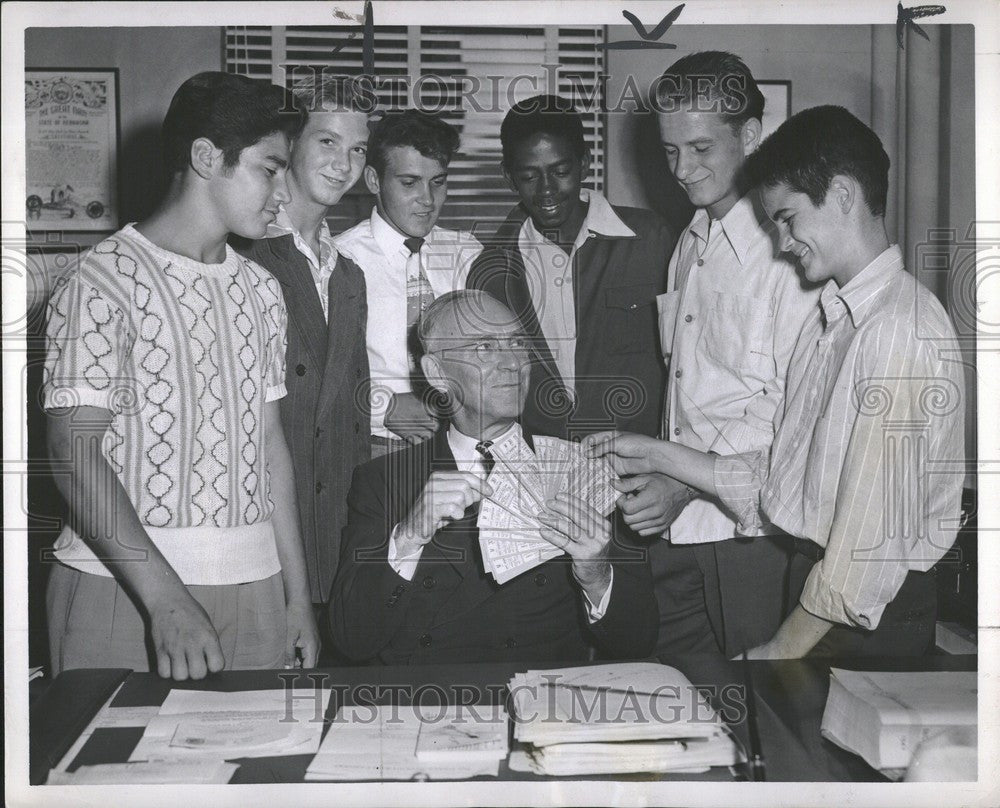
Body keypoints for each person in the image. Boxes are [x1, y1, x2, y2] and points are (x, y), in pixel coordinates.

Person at [587, 106, 965, 659]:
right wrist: (661, 455)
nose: (783, 242)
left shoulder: (895, 330)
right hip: (820, 591)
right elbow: (784, 478)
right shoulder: (839, 320)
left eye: (788, 218)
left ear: (841, 195)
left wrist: (780, 651)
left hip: (859, 613)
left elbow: (866, 550)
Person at [43, 72, 320, 680]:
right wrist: (164, 598)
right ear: (205, 157)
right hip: (125, 591)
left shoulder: (264, 290)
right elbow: (72, 450)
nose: (284, 193)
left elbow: (271, 452)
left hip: (256, 592)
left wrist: (296, 596)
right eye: (270, 169)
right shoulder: (99, 281)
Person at [330, 290, 658, 664]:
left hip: (547, 701)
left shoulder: (582, 468)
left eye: (518, 342)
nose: (513, 362)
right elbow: (350, 640)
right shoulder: (383, 481)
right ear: (437, 373)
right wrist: (408, 538)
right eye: (484, 347)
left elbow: (639, 642)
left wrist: (598, 577)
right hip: (431, 700)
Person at [631, 52, 822, 658]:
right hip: (676, 531)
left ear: (752, 136)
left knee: (763, 711)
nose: (682, 169)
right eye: (669, 151)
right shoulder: (688, 243)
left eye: (701, 148)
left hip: (753, 535)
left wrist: (684, 482)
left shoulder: (791, 250)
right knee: (684, 710)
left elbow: (788, 401)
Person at [234, 74, 372, 621]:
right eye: (328, 142)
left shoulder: (350, 276)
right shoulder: (244, 254)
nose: (344, 164)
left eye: (358, 148)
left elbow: (350, 420)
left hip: (336, 532)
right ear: (290, 144)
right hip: (262, 537)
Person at [467, 94, 675, 441]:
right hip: (540, 473)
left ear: (585, 163)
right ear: (509, 177)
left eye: (561, 172)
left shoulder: (652, 239)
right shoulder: (491, 270)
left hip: (641, 464)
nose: (547, 190)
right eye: (529, 176)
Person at [334, 110, 483, 457]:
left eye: (438, 181)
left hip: (461, 450)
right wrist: (381, 405)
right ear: (373, 180)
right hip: (373, 450)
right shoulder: (339, 259)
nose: (427, 200)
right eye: (409, 182)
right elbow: (312, 376)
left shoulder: (469, 255)